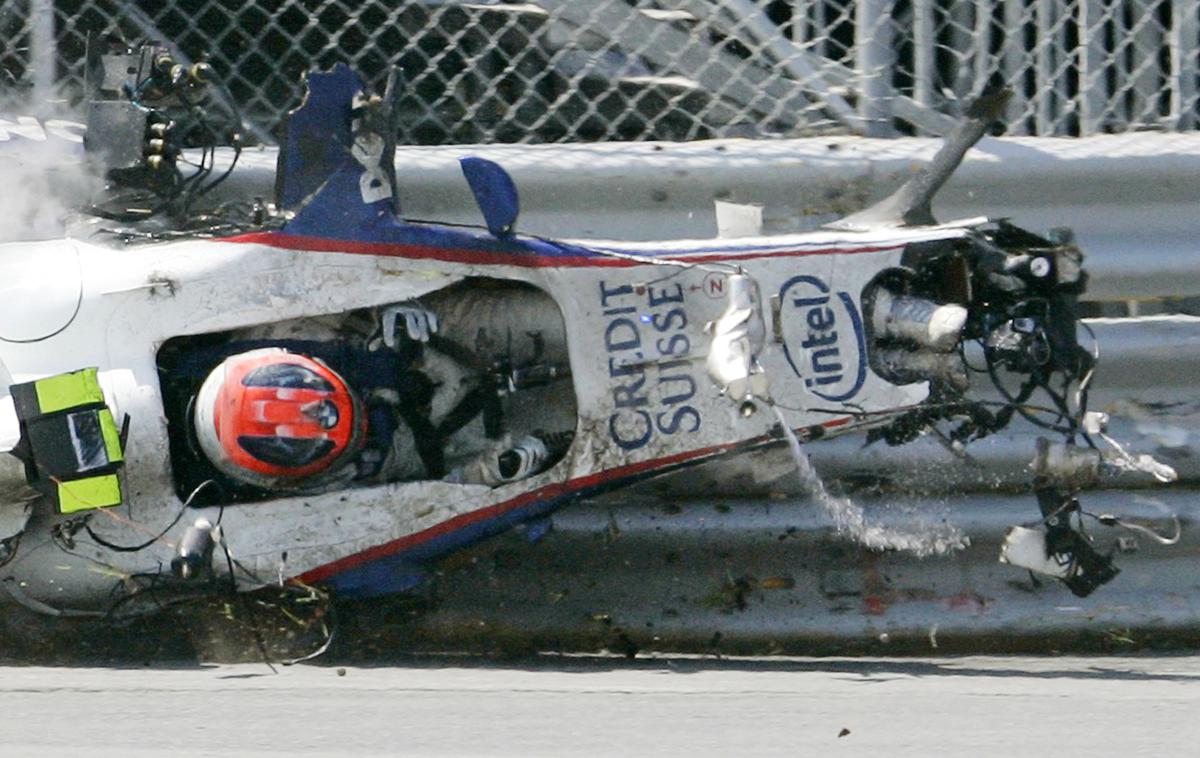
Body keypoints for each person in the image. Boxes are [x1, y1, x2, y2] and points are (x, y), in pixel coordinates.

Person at [188, 304, 547, 495]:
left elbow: (344, 272)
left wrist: (394, 299)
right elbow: (408, 506)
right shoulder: (320, 490)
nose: (358, 419)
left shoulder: (283, 328)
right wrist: (490, 474)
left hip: (442, 335)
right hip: (465, 438)